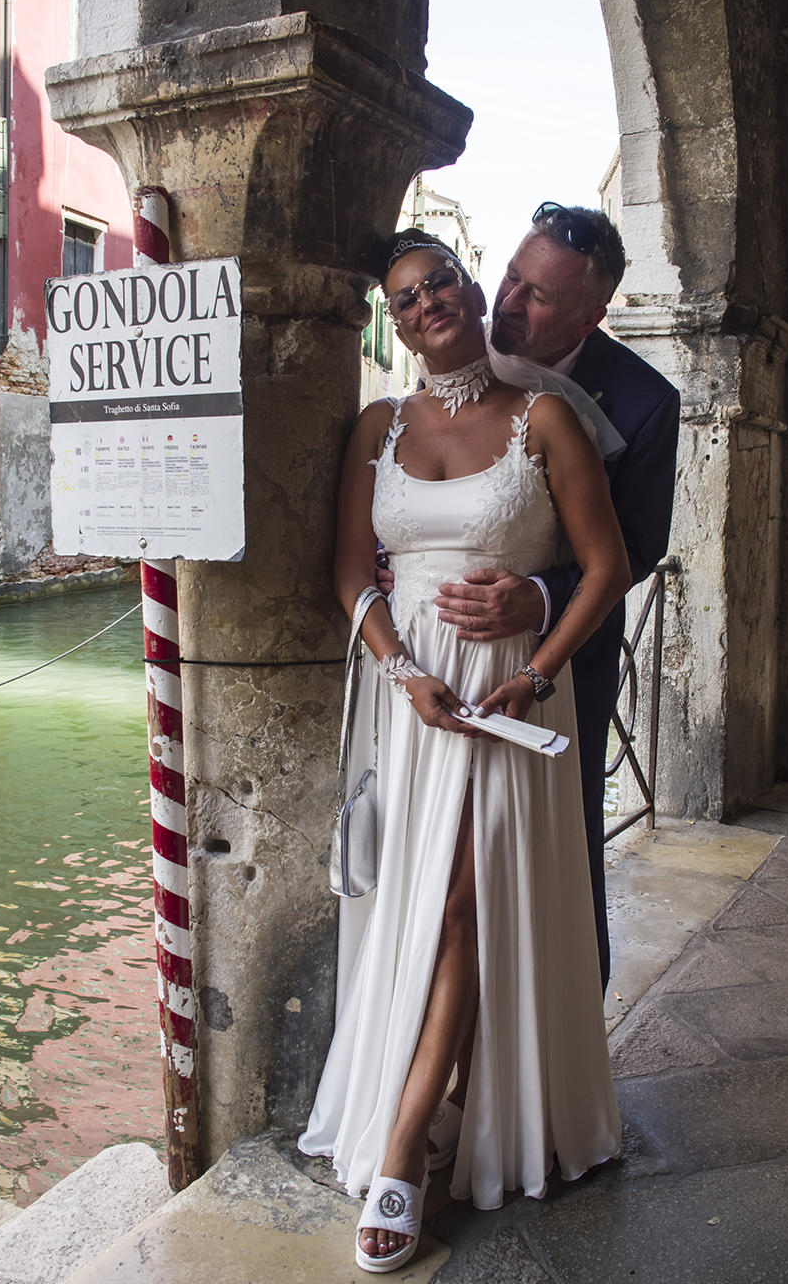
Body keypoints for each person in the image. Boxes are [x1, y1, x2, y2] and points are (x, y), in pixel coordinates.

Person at [299, 230, 631, 1273]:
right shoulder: (372, 425)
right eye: (404, 297)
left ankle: (403, 1144)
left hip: (513, 689)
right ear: (390, 323)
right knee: (433, 899)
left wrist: (534, 671)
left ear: (471, 286)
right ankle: (456, 1093)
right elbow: (352, 570)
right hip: (414, 696)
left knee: (463, 901)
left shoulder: (545, 418)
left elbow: (605, 567)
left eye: (440, 279)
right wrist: (401, 669)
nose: (427, 300)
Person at [425, 205, 681, 992]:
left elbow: (638, 548)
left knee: (561, 849)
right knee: (443, 858)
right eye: (510, 276)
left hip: (562, 664)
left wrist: (540, 599)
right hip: (439, 653)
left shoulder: (643, 403)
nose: (508, 303)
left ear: (590, 316)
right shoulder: (460, 355)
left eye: (537, 296)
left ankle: (569, 1045)